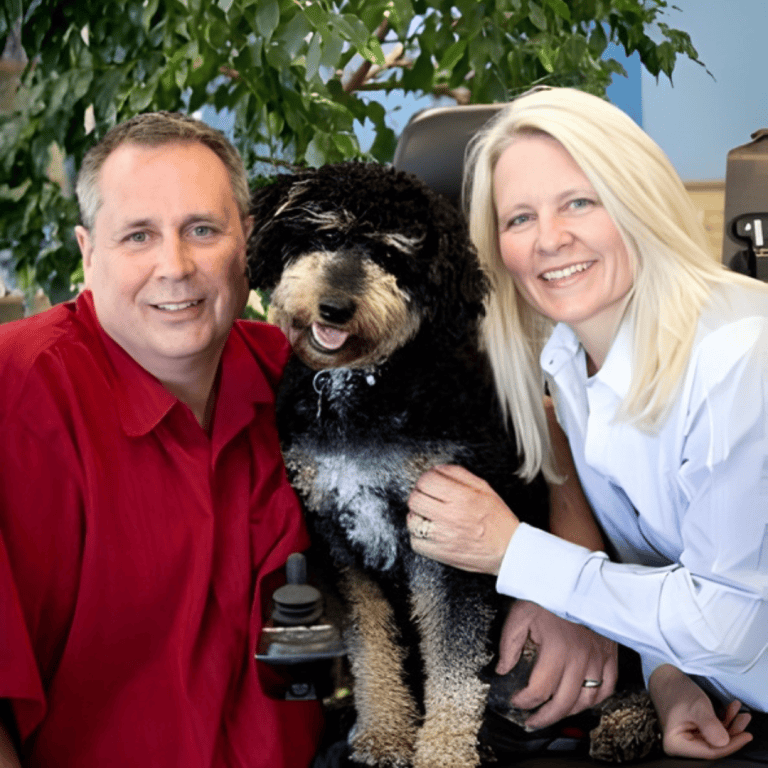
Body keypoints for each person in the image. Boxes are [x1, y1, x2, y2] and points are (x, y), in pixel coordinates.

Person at [406, 86, 768, 759]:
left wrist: (515, 553)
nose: (550, 239)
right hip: (725, 702)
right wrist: (668, 678)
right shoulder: (569, 358)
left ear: (637, 200)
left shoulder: (740, 357)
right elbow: (658, 567)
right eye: (519, 218)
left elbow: (728, 626)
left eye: (580, 201)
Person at [0, 112, 323, 767]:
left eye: (202, 230)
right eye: (138, 236)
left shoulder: (298, 375)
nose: (174, 267)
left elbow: (487, 417)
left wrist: (556, 570)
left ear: (247, 243)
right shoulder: (18, 391)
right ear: (89, 254)